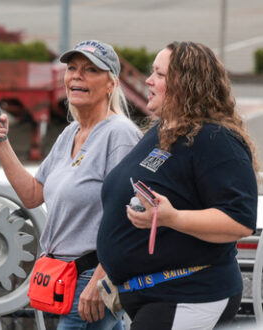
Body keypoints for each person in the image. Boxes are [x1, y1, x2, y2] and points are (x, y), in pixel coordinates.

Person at [97, 42, 258, 329]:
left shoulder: (216, 140)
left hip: (188, 293)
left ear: (186, 84)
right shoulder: (164, 130)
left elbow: (239, 220)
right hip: (153, 293)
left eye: (159, 74)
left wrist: (173, 217)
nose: (148, 80)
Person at [0, 39, 140, 330]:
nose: (77, 76)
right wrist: (1, 143)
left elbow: (131, 217)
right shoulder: (70, 133)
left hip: (91, 279)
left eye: (91, 70)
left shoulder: (119, 135)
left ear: (111, 84)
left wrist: (101, 280)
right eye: (72, 68)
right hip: (63, 278)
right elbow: (32, 195)